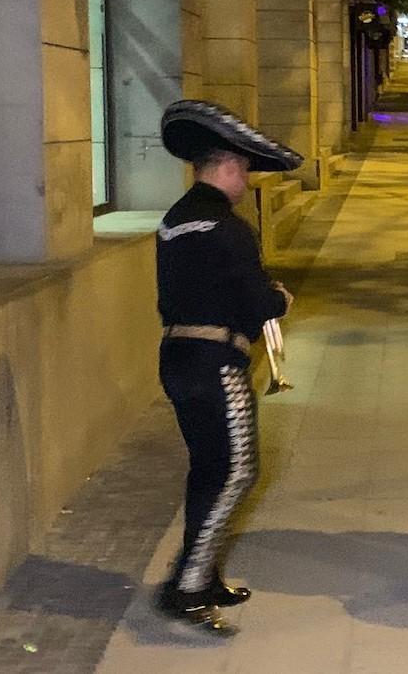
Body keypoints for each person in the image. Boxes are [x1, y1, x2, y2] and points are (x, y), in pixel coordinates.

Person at [154, 99, 303, 635]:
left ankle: (206, 572)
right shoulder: (226, 226)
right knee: (238, 470)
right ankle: (188, 585)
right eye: (245, 170)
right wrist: (280, 299)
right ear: (231, 167)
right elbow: (254, 301)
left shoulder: (176, 219)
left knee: (208, 468)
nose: (247, 182)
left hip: (178, 355)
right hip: (217, 361)